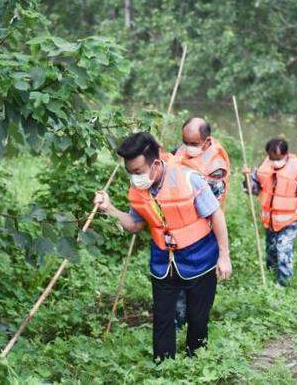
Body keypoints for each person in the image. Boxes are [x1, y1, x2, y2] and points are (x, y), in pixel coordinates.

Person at [93, 132, 232, 360]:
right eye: (130, 172)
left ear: (155, 164)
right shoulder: (138, 189)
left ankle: (196, 363)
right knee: (162, 317)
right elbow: (135, 225)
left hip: (200, 258)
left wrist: (224, 256)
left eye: (138, 171)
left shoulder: (188, 179)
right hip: (163, 261)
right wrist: (109, 209)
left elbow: (216, 215)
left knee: (198, 318)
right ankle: (163, 367)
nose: (135, 177)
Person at [172, 117, 231, 328]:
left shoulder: (216, 165)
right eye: (184, 141)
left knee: (197, 282)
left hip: (203, 231)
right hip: (178, 227)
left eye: (194, 144)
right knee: (176, 278)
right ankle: (177, 323)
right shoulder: (180, 150)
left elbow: (212, 208)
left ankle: (194, 327)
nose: (187, 148)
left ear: (207, 142)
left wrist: (224, 254)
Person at [243, 138, 297, 286]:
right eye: (271, 158)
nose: (274, 161)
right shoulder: (263, 167)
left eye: (278, 158)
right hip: (270, 219)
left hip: (290, 219)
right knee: (271, 250)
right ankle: (271, 274)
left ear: (286, 154)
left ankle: (283, 284)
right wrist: (246, 177)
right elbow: (253, 190)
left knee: (283, 250)